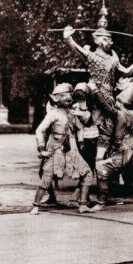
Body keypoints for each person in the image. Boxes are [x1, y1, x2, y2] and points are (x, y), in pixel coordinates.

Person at [63, 0, 133, 162]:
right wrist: (69, 39)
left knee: (114, 121)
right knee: (83, 87)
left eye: (110, 40)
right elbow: (76, 48)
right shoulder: (92, 55)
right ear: (97, 40)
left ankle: (112, 149)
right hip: (93, 94)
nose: (111, 42)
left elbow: (127, 71)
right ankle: (82, 113)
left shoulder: (113, 59)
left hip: (108, 97)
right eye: (107, 40)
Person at [88, 80, 133, 212]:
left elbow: (105, 106)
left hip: (122, 148)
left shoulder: (118, 113)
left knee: (102, 170)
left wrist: (95, 91)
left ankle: (101, 203)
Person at [30, 83, 95, 215]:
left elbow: (81, 126)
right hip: (56, 149)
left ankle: (82, 205)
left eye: (69, 95)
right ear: (56, 98)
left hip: (71, 150)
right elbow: (39, 130)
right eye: (64, 95)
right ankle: (35, 206)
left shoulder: (71, 113)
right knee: (46, 178)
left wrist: (81, 140)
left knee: (87, 173)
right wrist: (41, 149)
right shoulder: (53, 114)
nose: (68, 97)